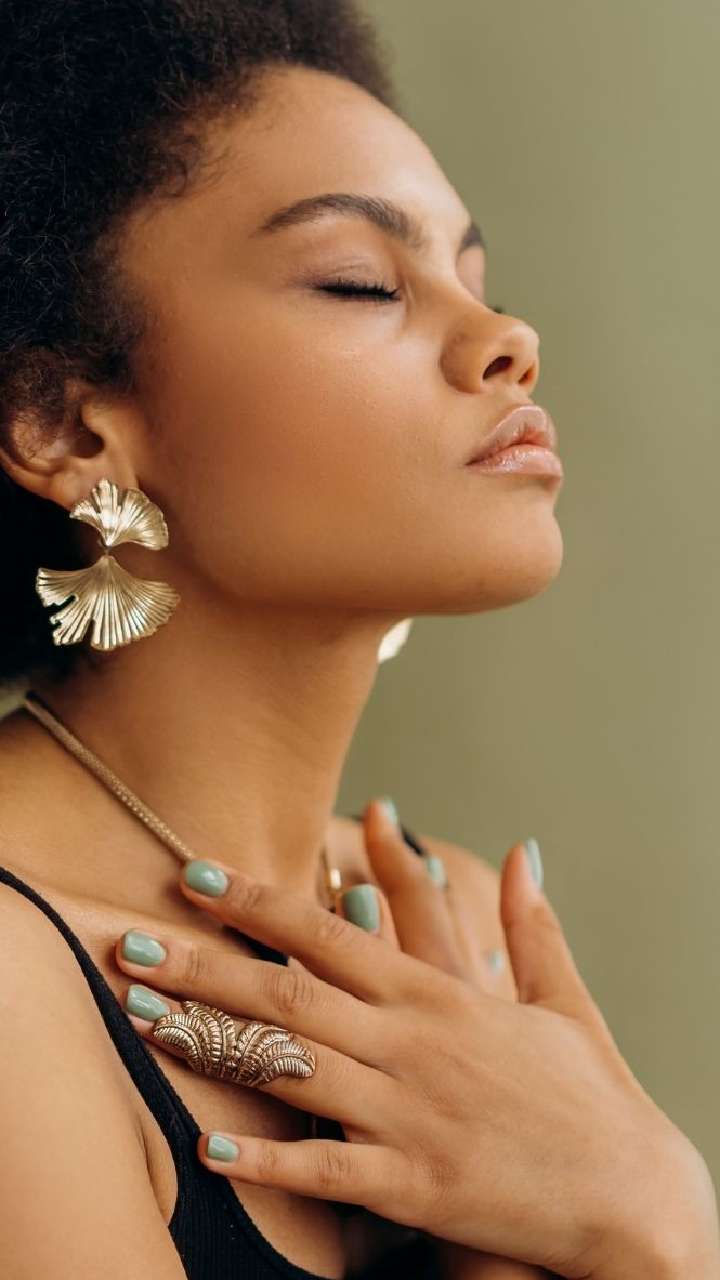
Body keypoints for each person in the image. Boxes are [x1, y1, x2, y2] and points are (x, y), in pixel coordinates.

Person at [1, 3, 718, 1278]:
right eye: (362, 283)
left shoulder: (454, 923)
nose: (508, 343)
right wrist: (638, 1225)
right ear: (64, 422)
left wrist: (646, 1210)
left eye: (480, 284)